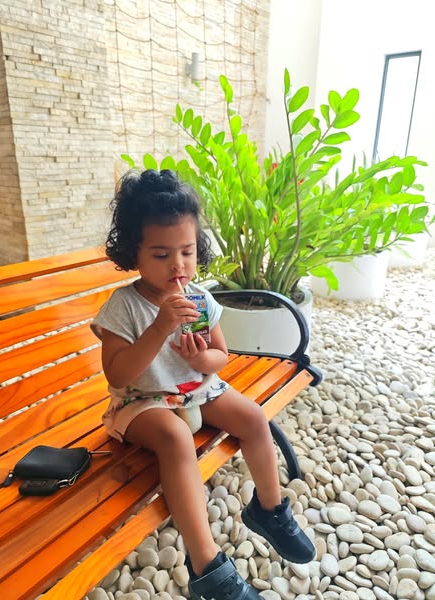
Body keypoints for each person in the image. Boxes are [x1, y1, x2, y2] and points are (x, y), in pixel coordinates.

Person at [91, 169, 315, 600]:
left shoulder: (200, 299)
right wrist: (159, 328)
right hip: (142, 401)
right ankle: (206, 566)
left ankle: (269, 509)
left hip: (195, 389)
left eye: (187, 251)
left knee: (253, 418)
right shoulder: (124, 307)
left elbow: (220, 356)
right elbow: (118, 375)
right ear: (134, 252)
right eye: (161, 254)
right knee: (177, 439)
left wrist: (200, 359)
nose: (177, 265)